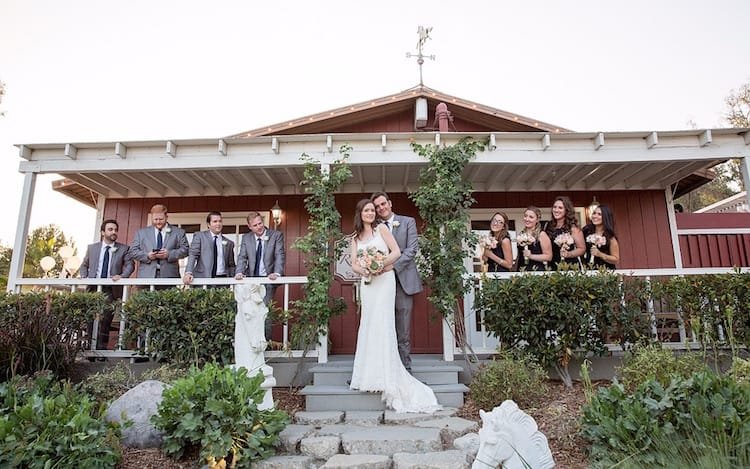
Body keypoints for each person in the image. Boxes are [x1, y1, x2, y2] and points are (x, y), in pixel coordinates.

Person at [349, 199, 441, 413]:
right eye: (367, 210)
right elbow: (353, 263)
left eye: (373, 210)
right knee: (369, 325)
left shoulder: (382, 228)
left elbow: (396, 252)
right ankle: (367, 375)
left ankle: (390, 374)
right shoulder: (354, 238)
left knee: (384, 324)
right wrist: (365, 270)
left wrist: (378, 264)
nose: (371, 213)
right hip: (368, 284)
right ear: (360, 213)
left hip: (385, 281)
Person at [371, 191, 423, 372]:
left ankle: (404, 370)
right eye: (377, 206)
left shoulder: (408, 222)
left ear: (390, 203)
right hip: (380, 283)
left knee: (403, 329)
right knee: (381, 327)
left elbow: (411, 250)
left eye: (383, 204)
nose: (380, 208)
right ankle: (379, 370)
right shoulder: (374, 227)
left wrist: (393, 266)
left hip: (403, 282)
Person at [79, 219, 134, 349]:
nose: (114, 232)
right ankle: (89, 348)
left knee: (105, 318)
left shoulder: (123, 249)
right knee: (90, 318)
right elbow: (84, 265)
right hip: (92, 288)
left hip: (109, 289)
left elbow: (130, 265)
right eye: (110, 229)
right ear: (103, 232)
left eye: (115, 230)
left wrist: (122, 276)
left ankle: (101, 349)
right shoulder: (92, 248)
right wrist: (84, 276)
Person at [236, 211, 285, 338]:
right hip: (251, 281)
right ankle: (252, 343)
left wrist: (277, 273)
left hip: (268, 280)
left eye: (260, 223)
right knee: (250, 313)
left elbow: (279, 255)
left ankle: (265, 345)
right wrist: (239, 272)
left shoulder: (275, 235)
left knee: (264, 311)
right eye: (256, 225)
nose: (259, 227)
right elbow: (242, 257)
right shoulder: (246, 238)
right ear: (250, 227)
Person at [129, 204, 189, 286]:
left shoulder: (178, 232)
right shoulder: (141, 233)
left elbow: (185, 250)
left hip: (169, 276)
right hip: (146, 276)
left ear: (166, 217)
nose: (158, 222)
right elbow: (132, 252)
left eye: (161, 219)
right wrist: (147, 256)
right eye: (155, 219)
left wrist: (169, 254)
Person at [183, 211, 236, 286]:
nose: (218, 224)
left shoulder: (229, 243)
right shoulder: (200, 236)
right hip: (203, 279)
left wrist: (233, 279)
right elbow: (193, 255)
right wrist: (188, 272)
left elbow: (231, 265)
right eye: (215, 221)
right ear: (208, 224)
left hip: (222, 280)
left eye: (220, 221)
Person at [545, 196, 585, 270]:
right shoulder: (549, 226)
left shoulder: (573, 228)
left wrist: (569, 254)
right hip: (553, 265)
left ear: (566, 210)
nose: (556, 210)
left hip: (570, 265)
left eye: (560, 208)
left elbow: (582, 249)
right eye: (555, 207)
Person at [515, 206, 553, 271]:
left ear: (537, 220)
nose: (527, 219)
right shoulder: (521, 234)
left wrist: (531, 256)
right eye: (525, 216)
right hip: (522, 269)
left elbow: (549, 256)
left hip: (536, 270)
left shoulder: (542, 234)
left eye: (531, 217)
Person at [583, 204, 620, 269]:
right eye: (594, 213)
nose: (595, 216)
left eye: (599, 214)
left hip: (605, 271)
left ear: (605, 217)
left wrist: (600, 254)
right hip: (588, 270)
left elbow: (616, 260)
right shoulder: (586, 231)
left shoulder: (610, 237)